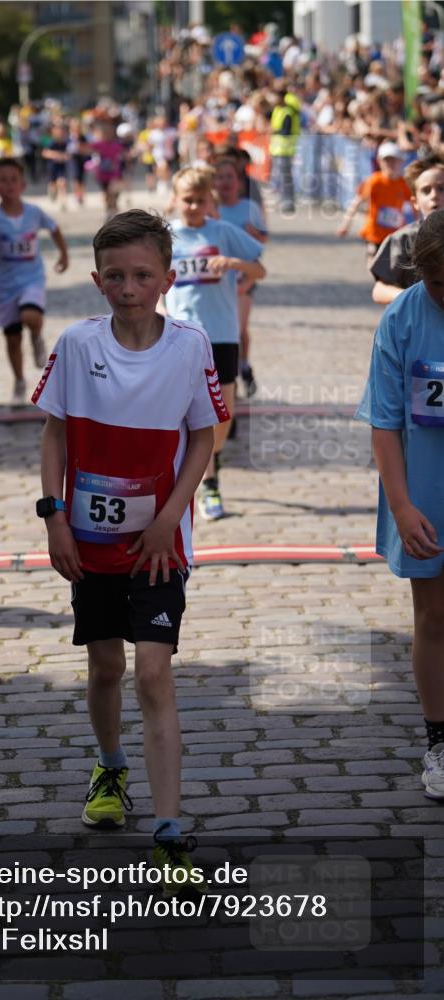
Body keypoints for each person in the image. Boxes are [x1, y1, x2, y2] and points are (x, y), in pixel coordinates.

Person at [32, 209, 229, 885]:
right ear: (95, 279)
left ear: (167, 279)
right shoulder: (75, 343)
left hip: (158, 544)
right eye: (114, 276)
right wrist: (53, 516)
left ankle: (169, 829)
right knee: (105, 667)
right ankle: (109, 766)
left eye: (142, 275)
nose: (127, 287)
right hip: (88, 541)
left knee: (152, 670)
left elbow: (203, 436)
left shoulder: (190, 345)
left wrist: (168, 516)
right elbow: (55, 433)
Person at [355, 209, 444, 801]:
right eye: (440, 286)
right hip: (425, 493)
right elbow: (384, 425)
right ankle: (439, 740)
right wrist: (402, 506)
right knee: (434, 618)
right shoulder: (403, 316)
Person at [165, 167, 266, 520]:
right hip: (180, 334)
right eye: (186, 200)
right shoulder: (166, 237)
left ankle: (214, 458)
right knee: (183, 409)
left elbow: (259, 271)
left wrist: (235, 264)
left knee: (223, 410)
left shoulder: (223, 231)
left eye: (199, 200)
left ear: (211, 201)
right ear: (175, 200)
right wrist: (160, 311)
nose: (193, 206)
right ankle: (204, 481)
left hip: (222, 333)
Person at [0, 157, 69, 405]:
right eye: (2, 180)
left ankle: (36, 336)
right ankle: (19, 380)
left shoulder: (34, 213)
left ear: (22, 184)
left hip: (32, 278)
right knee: (12, 338)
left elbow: (54, 228)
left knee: (31, 317)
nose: (9, 184)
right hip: (5, 285)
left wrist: (63, 255)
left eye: (14, 179)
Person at [214, 155, 269, 398]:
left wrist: (255, 234)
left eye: (230, 177)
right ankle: (228, 383)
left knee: (237, 329)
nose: (225, 182)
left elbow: (261, 242)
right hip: (214, 282)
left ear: (239, 182)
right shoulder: (210, 209)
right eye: (219, 177)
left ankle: (239, 371)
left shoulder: (249, 208)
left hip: (243, 278)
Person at [370, 154, 444, 304]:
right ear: (415, 202)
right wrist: (414, 298)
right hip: (415, 323)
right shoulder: (402, 239)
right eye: (426, 190)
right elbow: (379, 290)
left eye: (442, 188)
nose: (435, 195)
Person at [336, 141, 413, 258]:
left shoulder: (404, 184)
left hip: (395, 234)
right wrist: (345, 225)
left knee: (391, 269)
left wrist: (418, 227)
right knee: (374, 263)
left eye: (394, 160)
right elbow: (356, 202)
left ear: (401, 161)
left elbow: (415, 206)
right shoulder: (374, 181)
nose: (390, 164)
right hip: (374, 233)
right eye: (386, 160)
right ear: (379, 161)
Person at [269, 79, 300, 213]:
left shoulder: (287, 111)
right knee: (280, 176)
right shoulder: (278, 109)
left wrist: (272, 131)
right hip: (277, 148)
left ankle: (288, 202)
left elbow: (285, 131)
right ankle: (284, 200)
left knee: (286, 177)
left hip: (285, 148)